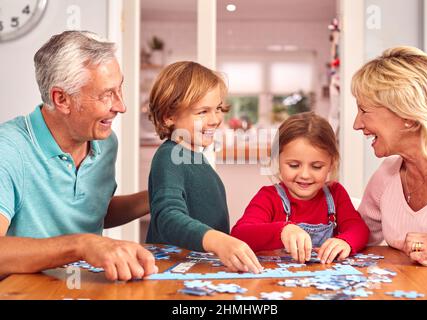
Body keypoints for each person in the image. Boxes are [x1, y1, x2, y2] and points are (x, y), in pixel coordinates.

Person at [0, 31, 158, 281]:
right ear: (61, 99)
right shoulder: (7, 149)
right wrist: (82, 245)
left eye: (120, 89)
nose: (121, 106)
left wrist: (155, 197)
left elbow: (94, 210)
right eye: (106, 94)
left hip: (81, 286)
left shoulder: (104, 143)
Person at [146, 61, 263, 274]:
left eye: (218, 108)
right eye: (202, 112)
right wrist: (217, 241)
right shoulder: (169, 157)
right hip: (174, 274)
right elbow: (167, 216)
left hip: (197, 269)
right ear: (168, 116)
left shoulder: (193, 157)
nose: (215, 119)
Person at [352, 46, 427, 279]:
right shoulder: (386, 176)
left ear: (407, 116)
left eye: (364, 110)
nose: (357, 124)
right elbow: (356, 237)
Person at [231, 112, 369, 263]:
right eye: (294, 165)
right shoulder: (269, 197)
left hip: (324, 278)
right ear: (277, 160)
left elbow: (359, 229)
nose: (304, 175)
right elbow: (239, 234)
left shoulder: (336, 193)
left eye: (316, 167)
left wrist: (346, 241)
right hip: (276, 282)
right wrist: (283, 230)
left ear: (331, 163)